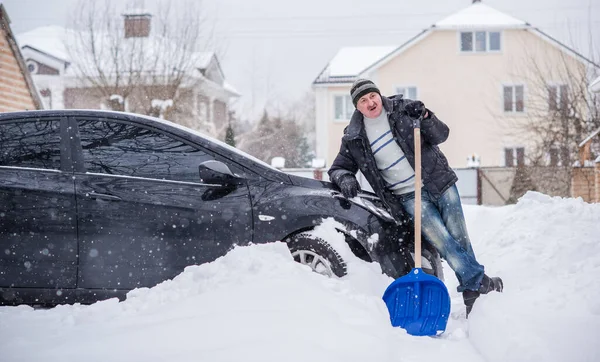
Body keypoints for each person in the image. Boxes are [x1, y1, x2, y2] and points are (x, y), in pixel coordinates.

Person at [328, 79, 503, 316]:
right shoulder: (354, 137)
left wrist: (426, 115)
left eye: (372, 96)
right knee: (443, 241)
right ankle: (478, 281)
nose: (370, 102)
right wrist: (346, 179)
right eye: (363, 100)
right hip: (409, 196)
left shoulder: (404, 110)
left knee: (460, 237)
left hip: (438, 181)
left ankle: (471, 291)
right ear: (357, 107)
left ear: (379, 95)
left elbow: (442, 135)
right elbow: (338, 168)